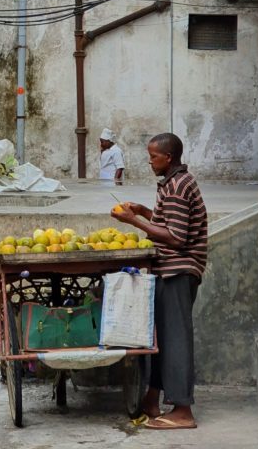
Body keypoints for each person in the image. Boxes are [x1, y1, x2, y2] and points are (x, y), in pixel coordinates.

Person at [110, 132, 207, 430]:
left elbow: (176, 237)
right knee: (162, 338)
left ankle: (182, 410)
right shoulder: (173, 182)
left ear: (168, 157)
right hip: (169, 268)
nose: (149, 161)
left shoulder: (177, 186)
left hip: (179, 269)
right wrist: (143, 212)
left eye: (153, 156)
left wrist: (134, 222)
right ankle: (153, 397)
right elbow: (170, 221)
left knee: (175, 339)